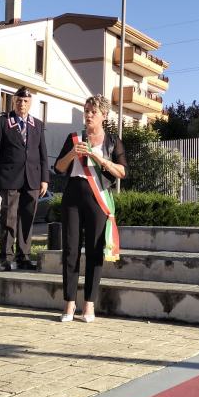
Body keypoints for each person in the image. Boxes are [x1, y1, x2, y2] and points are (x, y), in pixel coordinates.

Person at [54, 95, 126, 323]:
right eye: (86, 110)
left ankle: (89, 305)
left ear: (103, 116)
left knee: (95, 251)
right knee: (70, 250)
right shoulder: (74, 138)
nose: (88, 115)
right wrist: (73, 153)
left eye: (93, 111)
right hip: (73, 195)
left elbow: (123, 172)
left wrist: (99, 158)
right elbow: (58, 168)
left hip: (97, 198)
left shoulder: (112, 141)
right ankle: (69, 303)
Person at [0, 86, 48, 271]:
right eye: (18, 100)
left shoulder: (37, 124)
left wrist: (44, 179)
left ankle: (23, 256)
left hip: (32, 179)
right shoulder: (2, 123)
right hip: (9, 179)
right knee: (9, 218)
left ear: (30, 103)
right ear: (13, 101)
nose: (22, 104)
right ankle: (6, 258)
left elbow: (43, 154)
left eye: (25, 101)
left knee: (27, 218)